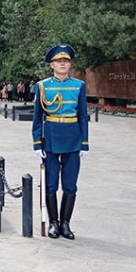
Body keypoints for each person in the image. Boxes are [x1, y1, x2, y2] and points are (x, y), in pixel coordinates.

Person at [32, 44, 88, 240]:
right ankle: (53, 223)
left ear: (70, 65)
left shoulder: (79, 86)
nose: (62, 64)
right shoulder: (42, 86)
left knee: (70, 185)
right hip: (51, 139)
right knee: (51, 184)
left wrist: (84, 143)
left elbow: (83, 116)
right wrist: (37, 144)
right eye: (58, 61)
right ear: (51, 65)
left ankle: (65, 224)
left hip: (73, 138)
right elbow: (38, 117)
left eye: (66, 61)